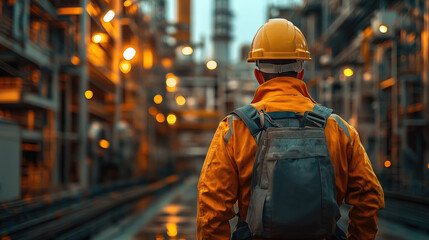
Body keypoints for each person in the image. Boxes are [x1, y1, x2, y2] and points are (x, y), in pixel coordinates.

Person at [197, 18, 384, 240]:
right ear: (301, 72)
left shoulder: (234, 129)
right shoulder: (338, 128)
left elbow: (211, 206)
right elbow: (370, 197)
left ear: (259, 76)